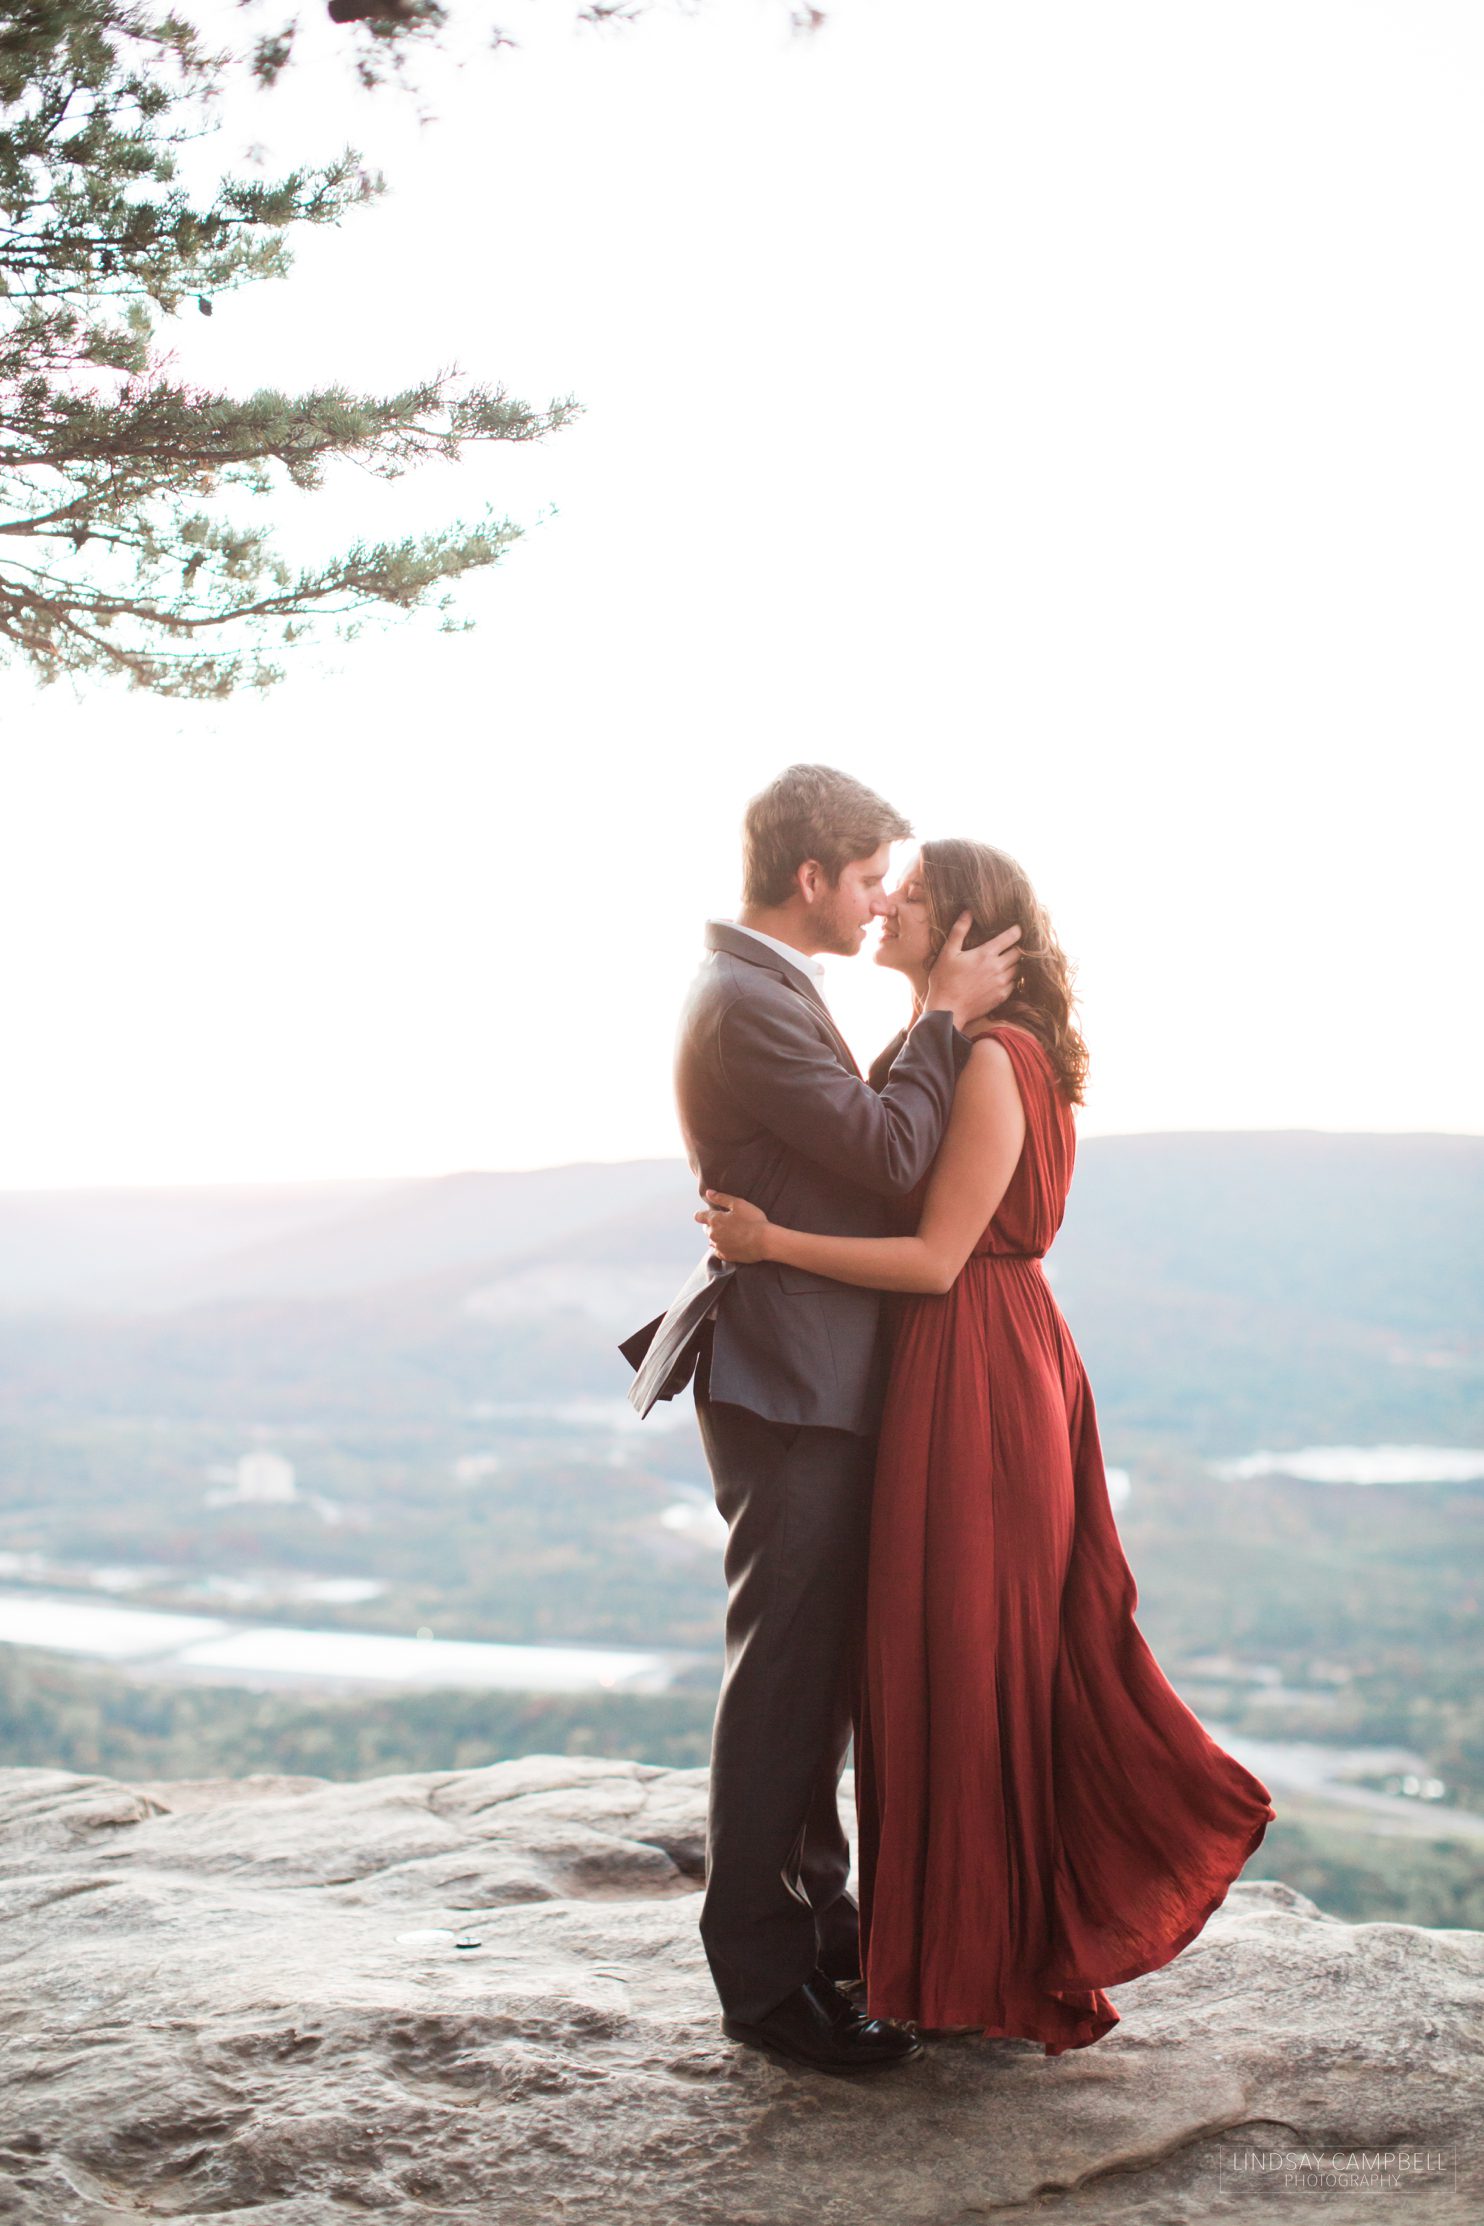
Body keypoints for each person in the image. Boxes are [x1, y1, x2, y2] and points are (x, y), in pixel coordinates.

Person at [699, 837, 1276, 2054]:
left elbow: (933, 1258)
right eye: (883, 886)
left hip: (971, 1360)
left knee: (966, 1661)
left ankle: (983, 1956)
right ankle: (943, 1948)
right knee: (942, 1663)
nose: (887, 906)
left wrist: (769, 1248)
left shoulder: (991, 1061)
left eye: (910, 896)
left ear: (968, 929)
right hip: (959, 1360)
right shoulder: (965, 1051)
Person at [619, 767, 1022, 2072]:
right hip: (790, 1382)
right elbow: (896, 1157)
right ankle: (765, 1982)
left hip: (808, 1373)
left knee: (814, 1676)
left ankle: (826, 1929)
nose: (874, 905)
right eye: (864, 882)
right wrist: (946, 1019)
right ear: (813, 880)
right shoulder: (749, 1002)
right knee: (787, 1679)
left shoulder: (761, 990)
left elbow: (857, 1154)